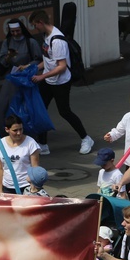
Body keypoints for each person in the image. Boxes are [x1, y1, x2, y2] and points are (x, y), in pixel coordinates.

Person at [28, 10, 94, 156]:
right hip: (48, 80)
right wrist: (31, 68)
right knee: (41, 110)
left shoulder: (57, 41)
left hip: (61, 82)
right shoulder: (45, 36)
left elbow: (61, 66)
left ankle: (86, 138)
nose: (35, 28)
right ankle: (43, 144)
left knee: (64, 111)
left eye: (35, 25)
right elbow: (48, 60)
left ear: (40, 22)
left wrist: (41, 77)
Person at [0, 114, 40, 194]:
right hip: (7, 188)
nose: (19, 133)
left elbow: (35, 167)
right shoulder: (1, 144)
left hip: (26, 187)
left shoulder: (30, 143)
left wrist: (33, 188)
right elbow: (0, 168)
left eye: (21, 129)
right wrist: (0, 190)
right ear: (7, 129)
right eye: (15, 130)